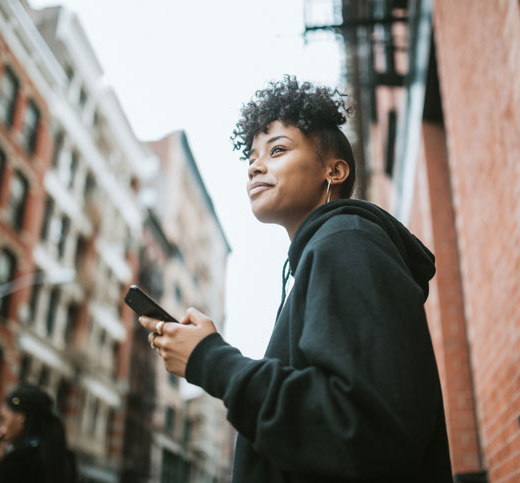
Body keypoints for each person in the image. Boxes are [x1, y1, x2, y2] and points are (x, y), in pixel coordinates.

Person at [140, 75, 453, 482]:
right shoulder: (323, 256)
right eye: (251, 156)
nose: (255, 166)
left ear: (334, 171)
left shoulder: (347, 245)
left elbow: (362, 430)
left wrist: (211, 360)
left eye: (278, 150)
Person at [0, 384, 77, 483]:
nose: (1, 429)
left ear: (21, 417)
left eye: (4, 419)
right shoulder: (64, 460)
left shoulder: (17, 462)